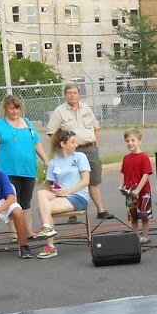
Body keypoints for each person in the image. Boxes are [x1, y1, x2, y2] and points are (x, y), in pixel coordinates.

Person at [46, 84, 107, 218]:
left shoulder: (85, 108)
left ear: (79, 94)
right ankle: (71, 213)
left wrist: (96, 144)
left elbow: (96, 127)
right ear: (65, 95)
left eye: (75, 93)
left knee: (93, 181)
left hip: (89, 148)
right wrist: (62, 147)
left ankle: (101, 210)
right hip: (72, 151)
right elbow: (51, 132)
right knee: (71, 181)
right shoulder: (59, 111)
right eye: (69, 93)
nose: (72, 95)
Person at [31, 128, 91, 261]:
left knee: (46, 209)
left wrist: (67, 191)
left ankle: (50, 246)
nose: (76, 145)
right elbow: (51, 185)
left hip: (78, 196)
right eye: (73, 142)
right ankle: (48, 229)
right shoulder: (53, 162)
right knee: (41, 193)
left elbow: (86, 181)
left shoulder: (80, 157)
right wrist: (56, 188)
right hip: (61, 195)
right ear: (63, 144)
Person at [0, 94, 46, 213]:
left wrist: (46, 159)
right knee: (12, 202)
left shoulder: (28, 123)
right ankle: (15, 232)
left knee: (26, 202)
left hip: (28, 169)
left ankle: (28, 231)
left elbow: (36, 143)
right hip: (8, 170)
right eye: (11, 108)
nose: (15, 111)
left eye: (17, 108)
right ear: (5, 109)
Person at [120, 128, 153, 245]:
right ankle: (134, 236)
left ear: (139, 141)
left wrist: (138, 189)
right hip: (130, 193)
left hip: (143, 192)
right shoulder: (126, 158)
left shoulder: (144, 157)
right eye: (127, 141)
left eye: (133, 140)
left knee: (144, 215)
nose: (130, 143)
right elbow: (124, 173)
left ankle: (145, 236)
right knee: (132, 215)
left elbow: (146, 175)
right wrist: (121, 186)